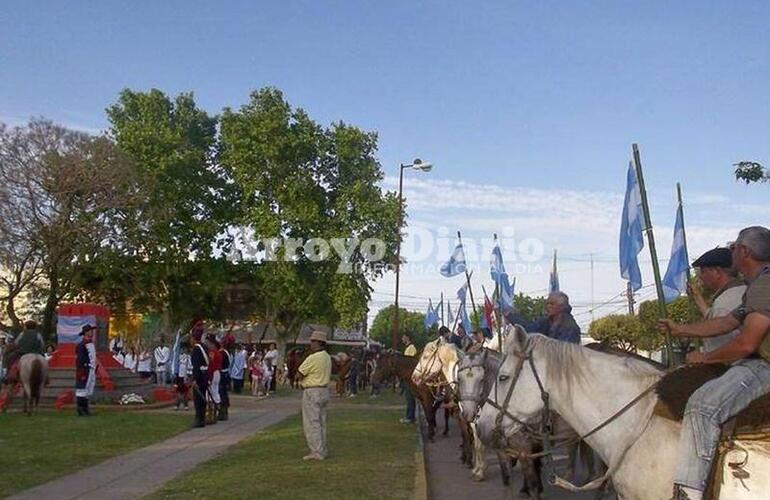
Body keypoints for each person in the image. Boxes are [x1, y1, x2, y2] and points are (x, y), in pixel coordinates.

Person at [658, 226, 770, 500]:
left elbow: (746, 344)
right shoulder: (757, 285)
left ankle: (688, 492)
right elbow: (727, 322)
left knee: (701, 406)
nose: (730, 251)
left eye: (734, 247)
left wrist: (705, 357)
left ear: (744, 252)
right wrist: (680, 329)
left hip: (764, 367)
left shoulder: (765, 285)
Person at [688, 247, 747, 352]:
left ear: (717, 272)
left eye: (703, 271)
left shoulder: (725, 302)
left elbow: (721, 347)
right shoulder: (742, 291)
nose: (700, 277)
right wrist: (697, 297)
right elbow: (714, 316)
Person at [296, 330, 332, 461]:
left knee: (312, 422)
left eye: (312, 341)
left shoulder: (312, 358)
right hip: (324, 390)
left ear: (317, 342)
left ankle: (316, 451)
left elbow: (299, 373)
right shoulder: (327, 357)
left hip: (312, 390)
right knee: (321, 422)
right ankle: (322, 448)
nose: (310, 343)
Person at [505, 291, 581, 344]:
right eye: (547, 303)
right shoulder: (546, 322)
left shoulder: (570, 327)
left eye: (552, 304)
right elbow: (528, 329)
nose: (548, 306)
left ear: (562, 306)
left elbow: (562, 351)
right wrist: (511, 316)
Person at [2, 320, 45, 385]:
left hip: (23, 352)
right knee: (44, 361)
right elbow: (42, 344)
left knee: (10, 358)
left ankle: (8, 374)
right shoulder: (38, 334)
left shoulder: (22, 334)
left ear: (26, 326)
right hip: (36, 353)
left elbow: (16, 343)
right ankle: (45, 377)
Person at [75, 324, 97, 416]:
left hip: (91, 369)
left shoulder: (90, 343)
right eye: (90, 331)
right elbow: (79, 359)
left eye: (92, 330)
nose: (92, 332)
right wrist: (83, 370)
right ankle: (81, 409)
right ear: (86, 332)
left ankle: (85, 408)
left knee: (88, 389)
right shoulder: (81, 345)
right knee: (82, 389)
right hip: (85, 369)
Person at [190, 324, 210, 428]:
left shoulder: (196, 349)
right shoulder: (205, 347)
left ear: (193, 338)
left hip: (199, 376)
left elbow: (196, 366)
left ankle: (199, 419)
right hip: (205, 375)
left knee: (198, 399)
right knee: (203, 396)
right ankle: (202, 418)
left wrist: (194, 379)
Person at [400, 332, 417, 424]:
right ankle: (409, 416)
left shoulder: (411, 348)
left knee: (410, 397)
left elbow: (410, 362)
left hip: (409, 376)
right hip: (406, 376)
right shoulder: (408, 348)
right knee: (408, 397)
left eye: (403, 337)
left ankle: (410, 417)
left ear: (407, 337)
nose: (402, 339)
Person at [206, 334, 222, 418]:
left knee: (210, 393)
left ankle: (212, 413)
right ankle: (218, 412)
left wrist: (209, 376)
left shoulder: (212, 352)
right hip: (217, 373)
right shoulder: (218, 352)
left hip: (213, 373)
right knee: (216, 392)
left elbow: (211, 364)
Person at [218, 336, 232, 421]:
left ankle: (223, 412)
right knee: (223, 393)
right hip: (225, 374)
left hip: (222, 374)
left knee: (222, 393)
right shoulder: (227, 352)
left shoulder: (222, 353)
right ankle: (224, 411)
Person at [174, 342, 192, 411]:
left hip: (186, 375)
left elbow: (190, 366)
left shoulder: (188, 357)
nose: (183, 350)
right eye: (182, 349)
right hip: (179, 375)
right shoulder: (179, 357)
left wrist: (188, 375)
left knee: (185, 392)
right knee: (178, 391)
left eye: (184, 349)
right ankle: (177, 404)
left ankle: (185, 405)